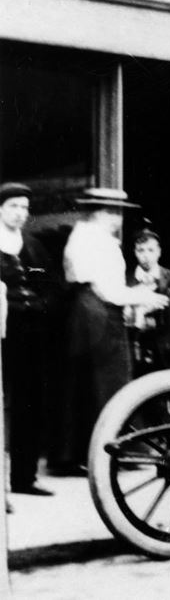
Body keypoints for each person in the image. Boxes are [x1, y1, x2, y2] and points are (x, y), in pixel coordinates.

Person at [54, 188, 169, 476]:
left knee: (92, 383)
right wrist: (141, 296)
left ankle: (86, 452)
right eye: (113, 210)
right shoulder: (94, 240)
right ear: (100, 212)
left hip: (93, 310)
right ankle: (109, 451)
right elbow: (106, 289)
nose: (118, 216)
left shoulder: (90, 237)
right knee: (107, 381)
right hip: (97, 313)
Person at [0, 182, 58, 495]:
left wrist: (41, 304)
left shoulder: (33, 245)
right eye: (13, 207)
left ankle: (24, 478)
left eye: (24, 207)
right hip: (1, 334)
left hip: (30, 336)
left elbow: (51, 285)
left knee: (29, 403)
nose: (21, 213)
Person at [126, 229, 170, 375]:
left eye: (151, 250)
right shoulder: (128, 280)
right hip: (140, 349)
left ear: (159, 252)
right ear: (134, 252)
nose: (145, 255)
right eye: (141, 250)